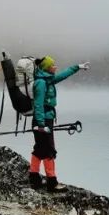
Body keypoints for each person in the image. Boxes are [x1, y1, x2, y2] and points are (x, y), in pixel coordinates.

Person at [28, 55, 89, 191]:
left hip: (43, 119)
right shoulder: (41, 83)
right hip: (42, 120)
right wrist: (41, 124)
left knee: (39, 149)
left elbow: (62, 75)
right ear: (47, 68)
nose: (55, 67)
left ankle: (34, 179)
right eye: (53, 65)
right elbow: (38, 105)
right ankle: (52, 183)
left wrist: (77, 67)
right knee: (49, 150)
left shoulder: (47, 80)